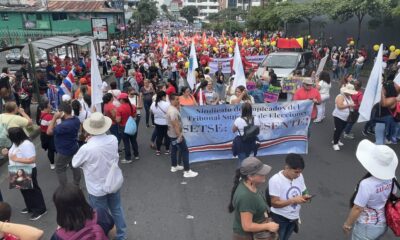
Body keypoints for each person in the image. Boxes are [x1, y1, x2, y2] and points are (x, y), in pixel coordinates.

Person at [72, 112, 127, 240]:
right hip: (113, 182)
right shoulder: (113, 139)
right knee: (117, 209)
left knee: (100, 216)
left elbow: (75, 163)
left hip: (96, 187)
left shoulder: (87, 148)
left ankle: (104, 236)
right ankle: (121, 235)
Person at [343, 139, 398, 239]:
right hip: (383, 222)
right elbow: (392, 194)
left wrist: (347, 224)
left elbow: (357, 208)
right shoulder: (392, 178)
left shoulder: (367, 184)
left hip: (366, 226)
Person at [2, 127, 47, 221]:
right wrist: (7, 153)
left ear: (15, 137)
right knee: (24, 190)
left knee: (33, 190)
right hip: (17, 169)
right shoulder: (16, 143)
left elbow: (32, 159)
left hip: (27, 169)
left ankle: (40, 209)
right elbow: (14, 154)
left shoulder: (27, 144)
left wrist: (16, 159)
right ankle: (30, 207)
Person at [229, 157, 279, 240]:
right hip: (247, 236)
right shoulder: (246, 197)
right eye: (261, 173)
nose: (264, 175)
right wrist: (268, 226)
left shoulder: (249, 185)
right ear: (250, 177)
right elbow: (247, 226)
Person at [268, 153, 311, 240]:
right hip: (280, 218)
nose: (298, 175)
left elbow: (304, 190)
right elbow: (274, 203)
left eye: (300, 172)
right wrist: (293, 200)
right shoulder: (275, 180)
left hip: (294, 217)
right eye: (296, 172)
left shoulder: (300, 176)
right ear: (287, 167)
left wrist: (306, 196)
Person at [51, 184, 117, 240]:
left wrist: (58, 229)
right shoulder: (100, 214)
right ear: (82, 199)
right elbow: (113, 234)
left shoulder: (58, 236)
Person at [46, 102, 82, 186]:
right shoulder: (76, 119)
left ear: (62, 112)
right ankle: (77, 184)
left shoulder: (63, 126)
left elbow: (49, 132)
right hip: (74, 146)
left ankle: (65, 188)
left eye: (59, 111)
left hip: (64, 150)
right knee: (74, 165)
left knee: (60, 169)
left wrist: (54, 118)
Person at [166, 93, 198, 178]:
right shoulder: (173, 111)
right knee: (185, 151)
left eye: (178, 99)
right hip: (176, 135)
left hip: (171, 134)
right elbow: (175, 125)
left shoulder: (171, 108)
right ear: (172, 100)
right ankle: (187, 171)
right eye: (176, 99)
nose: (178, 100)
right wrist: (179, 136)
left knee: (174, 149)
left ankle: (174, 166)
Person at [331, 84, 357, 151]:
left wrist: (351, 106)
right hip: (338, 116)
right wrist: (349, 105)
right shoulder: (340, 96)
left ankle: (336, 140)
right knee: (338, 129)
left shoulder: (349, 97)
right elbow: (339, 106)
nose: (351, 94)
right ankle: (335, 144)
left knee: (341, 129)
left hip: (345, 117)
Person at [116, 92, 139, 163]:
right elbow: (135, 116)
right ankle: (136, 155)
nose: (119, 100)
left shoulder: (119, 109)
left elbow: (118, 120)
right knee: (134, 141)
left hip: (123, 127)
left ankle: (128, 158)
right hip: (132, 126)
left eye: (119, 99)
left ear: (122, 100)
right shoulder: (133, 106)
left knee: (126, 143)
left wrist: (116, 120)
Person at [150, 91, 170, 156]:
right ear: (163, 96)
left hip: (157, 123)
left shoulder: (154, 103)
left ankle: (158, 150)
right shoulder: (167, 104)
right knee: (167, 137)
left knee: (159, 137)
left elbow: (151, 111)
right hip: (166, 123)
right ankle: (167, 150)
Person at [38, 100, 56, 170]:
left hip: (43, 135)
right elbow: (54, 126)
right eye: (49, 105)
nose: (50, 106)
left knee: (50, 150)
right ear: (46, 107)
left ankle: (52, 164)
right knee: (56, 148)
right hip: (51, 135)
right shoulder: (48, 117)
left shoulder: (41, 114)